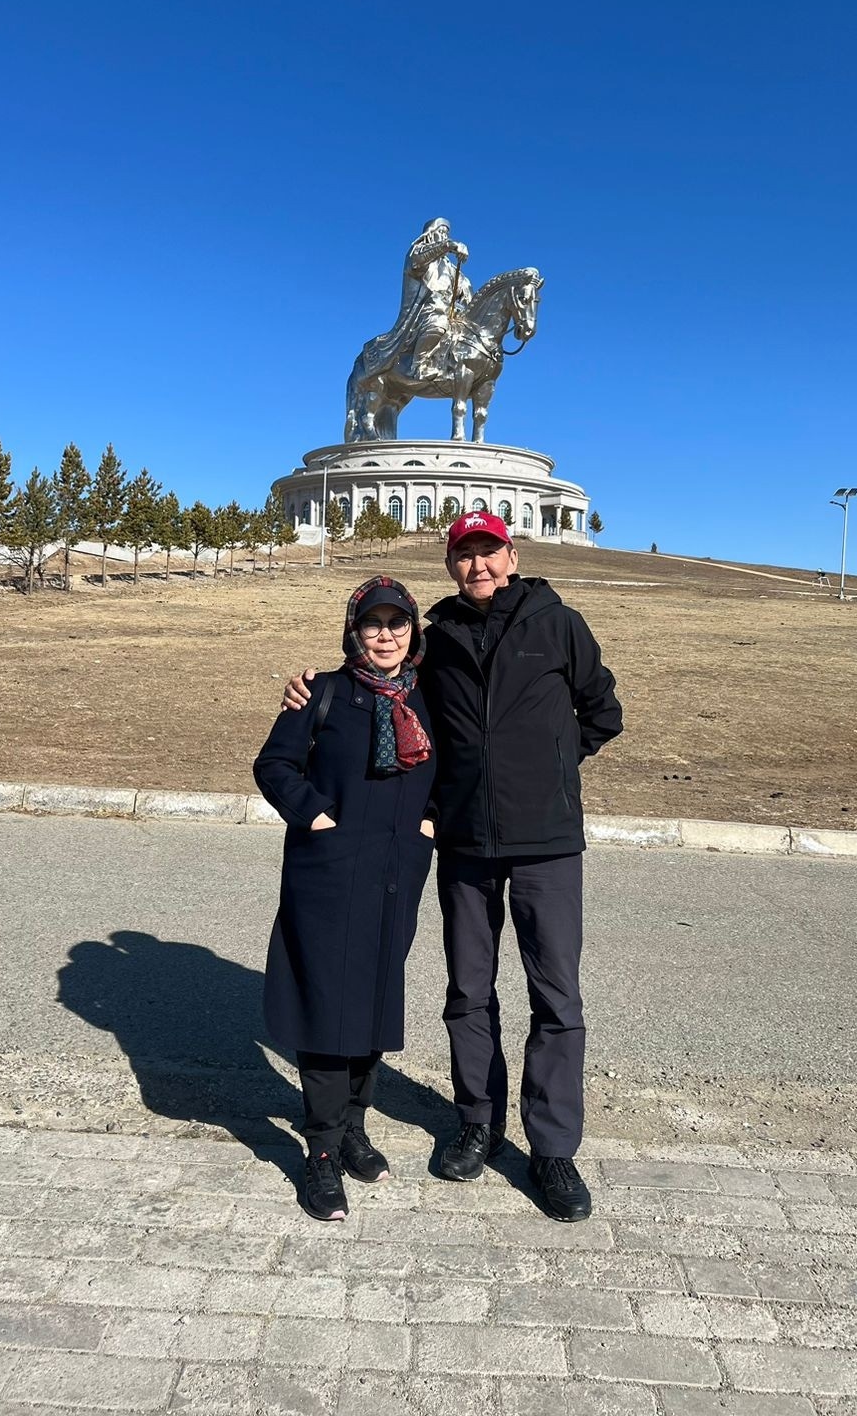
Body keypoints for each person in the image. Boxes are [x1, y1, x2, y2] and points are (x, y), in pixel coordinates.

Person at [284, 513, 622, 1221]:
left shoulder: (560, 624)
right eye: (464, 555)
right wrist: (309, 688)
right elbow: (391, 687)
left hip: (547, 842)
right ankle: (477, 1122)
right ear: (450, 565)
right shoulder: (435, 640)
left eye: (488, 551)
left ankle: (553, 1150)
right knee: (468, 991)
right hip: (465, 843)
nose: (478, 565)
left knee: (556, 997)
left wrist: (552, 772)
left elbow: (602, 712)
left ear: (511, 554)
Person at [254, 577, 436, 1221]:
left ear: (413, 629)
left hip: (396, 873)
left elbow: (457, 769)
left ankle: (355, 1126)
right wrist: (315, 816)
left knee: (376, 997)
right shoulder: (322, 692)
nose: (385, 634)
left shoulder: (428, 698)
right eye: (372, 623)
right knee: (329, 1006)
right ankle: (322, 1151)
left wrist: (428, 823)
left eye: (397, 622)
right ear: (353, 631)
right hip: (328, 873)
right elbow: (273, 765)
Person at [361, 217, 472, 385]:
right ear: (431, 233)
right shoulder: (417, 253)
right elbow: (418, 262)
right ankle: (419, 365)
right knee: (438, 323)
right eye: (440, 232)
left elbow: (465, 291)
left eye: (446, 234)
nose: (444, 236)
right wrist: (448, 246)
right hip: (426, 310)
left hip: (450, 313)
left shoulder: (449, 267)